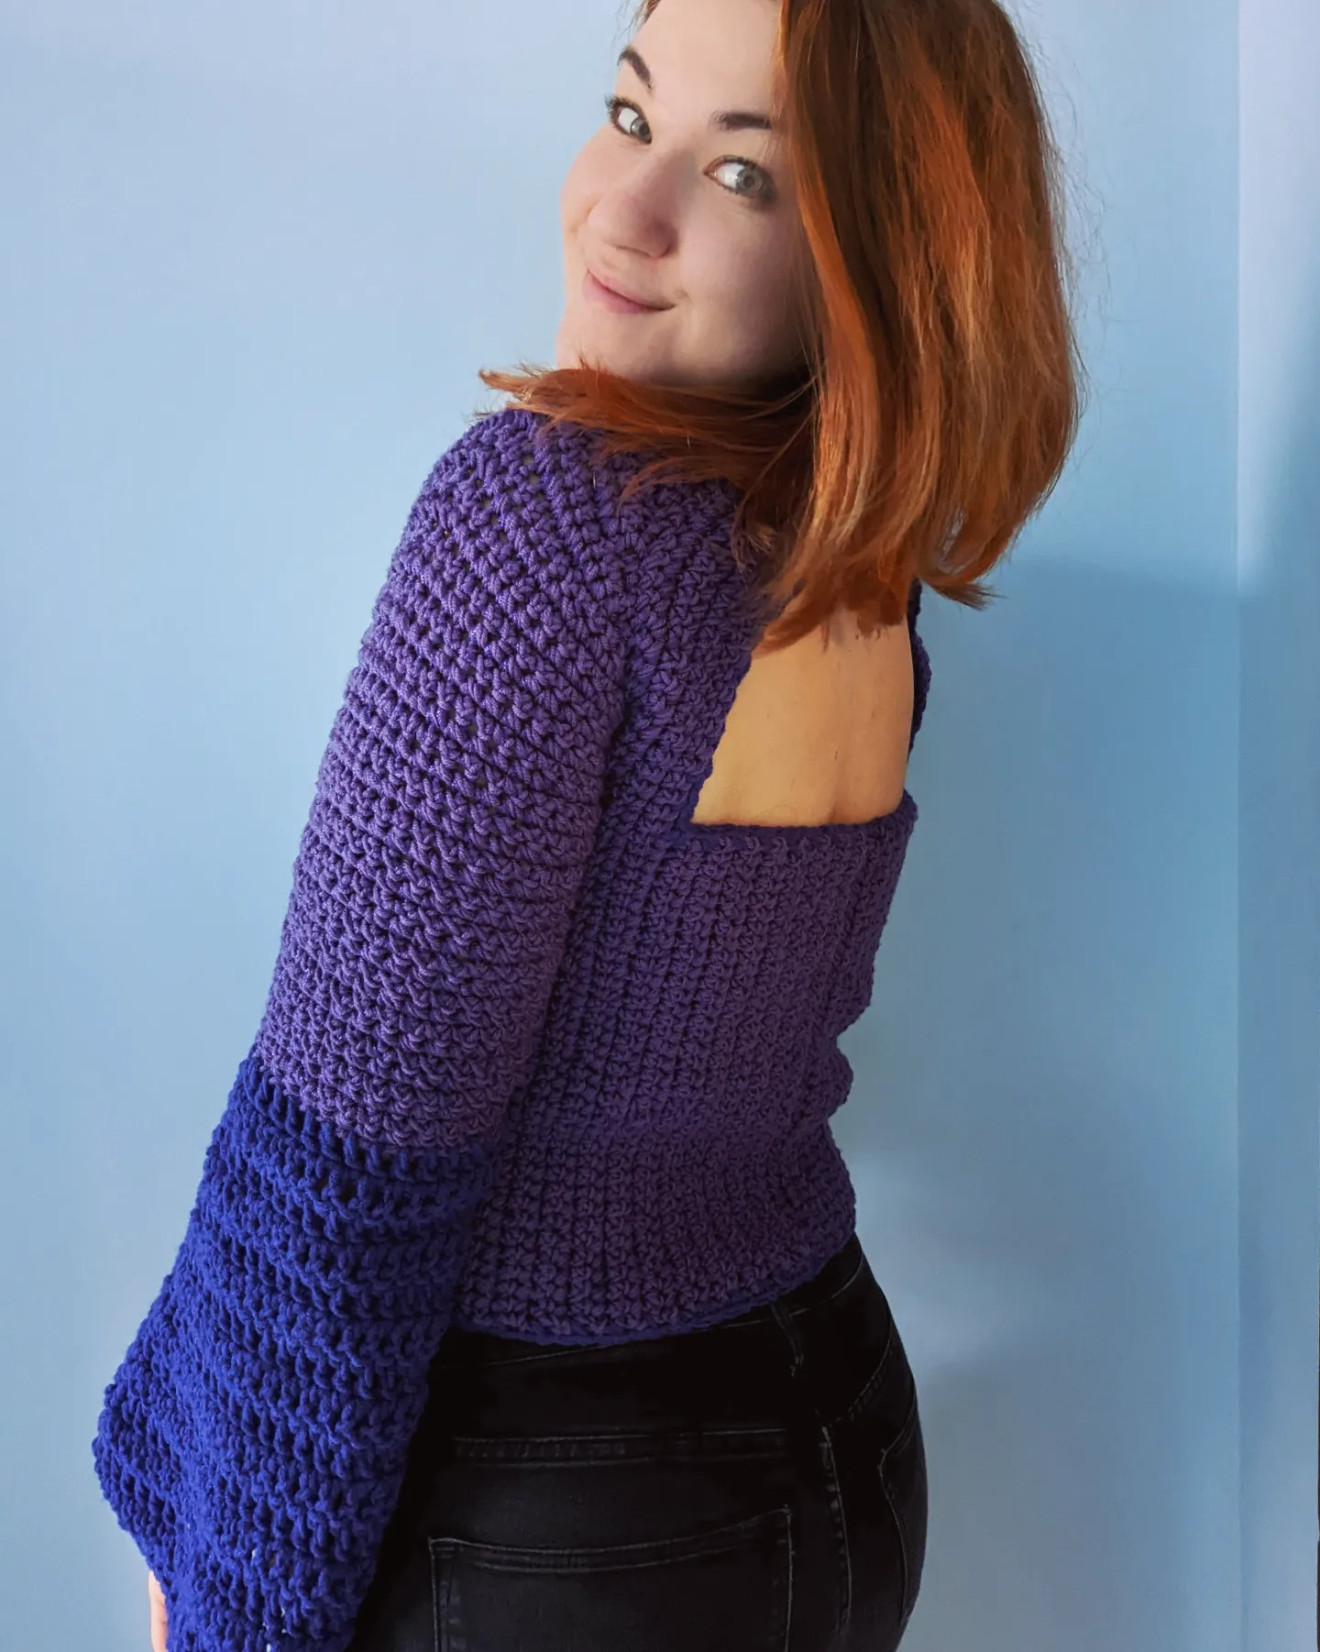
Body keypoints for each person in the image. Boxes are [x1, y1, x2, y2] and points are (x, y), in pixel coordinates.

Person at [94, 0, 1085, 1648]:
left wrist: (231, 1602)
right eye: (631, 117)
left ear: (880, 256)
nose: (626, 210)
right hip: (835, 1437)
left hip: (560, 1519)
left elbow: (347, 1171)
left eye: (745, 176)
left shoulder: (546, 525)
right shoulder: (864, 586)